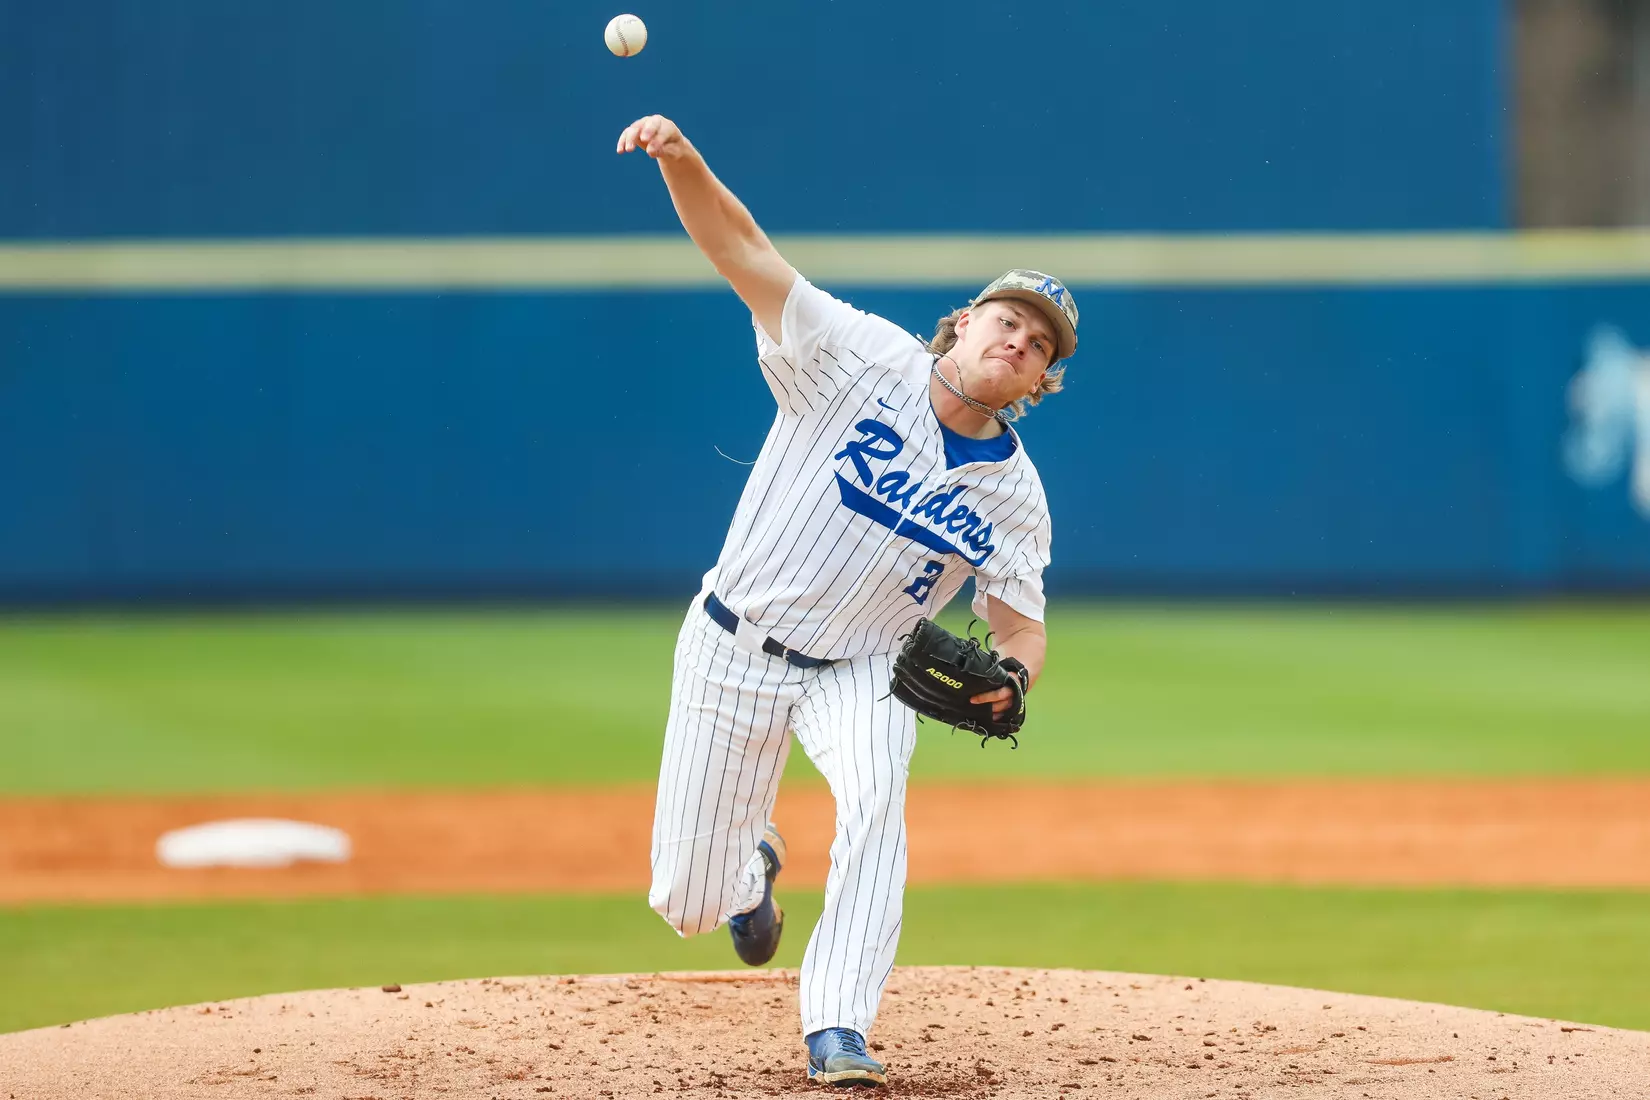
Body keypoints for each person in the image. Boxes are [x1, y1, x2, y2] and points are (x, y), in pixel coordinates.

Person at [618, 113, 1076, 1088]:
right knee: (686, 902)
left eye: (1040, 345)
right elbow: (742, 249)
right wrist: (683, 160)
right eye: (1009, 321)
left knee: (876, 804)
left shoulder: (1016, 495)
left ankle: (838, 1026)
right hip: (734, 644)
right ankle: (750, 873)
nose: (1019, 341)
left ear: (1042, 379)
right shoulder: (858, 353)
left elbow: (1020, 625)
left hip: (867, 666)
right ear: (965, 322)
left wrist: (1013, 678)